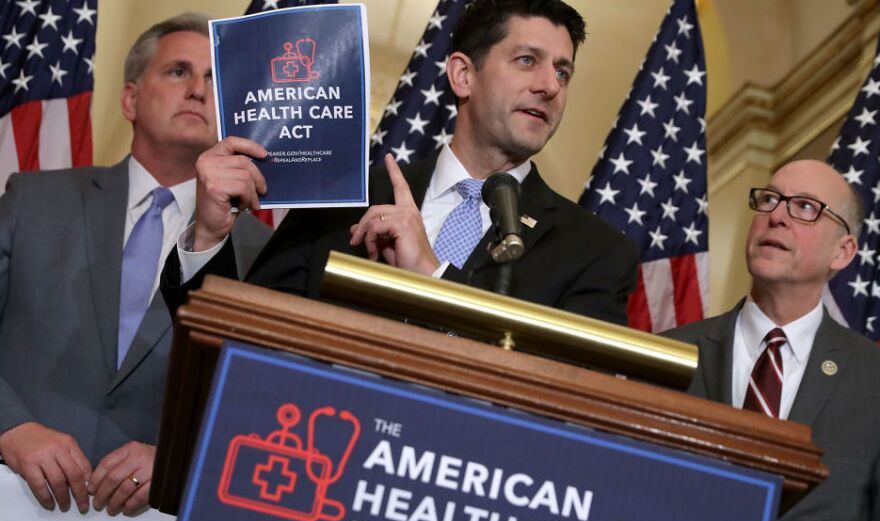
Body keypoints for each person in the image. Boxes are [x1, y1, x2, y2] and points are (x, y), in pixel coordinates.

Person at [163, 0, 638, 327]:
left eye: (562, 71)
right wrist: (206, 237)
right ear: (462, 75)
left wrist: (431, 279)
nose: (550, 86)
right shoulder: (345, 197)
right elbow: (239, 335)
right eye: (527, 60)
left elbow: (566, 400)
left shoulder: (595, 254)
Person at [0, 14, 269, 517]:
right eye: (178, 72)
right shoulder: (33, 199)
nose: (197, 91)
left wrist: (182, 458)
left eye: (215, 80)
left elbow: (263, 401)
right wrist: (11, 426)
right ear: (129, 99)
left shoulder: (260, 247)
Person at [665, 160, 880, 521]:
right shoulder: (669, 354)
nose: (777, 215)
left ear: (843, 253)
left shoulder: (872, 378)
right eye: (769, 199)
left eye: (805, 207)